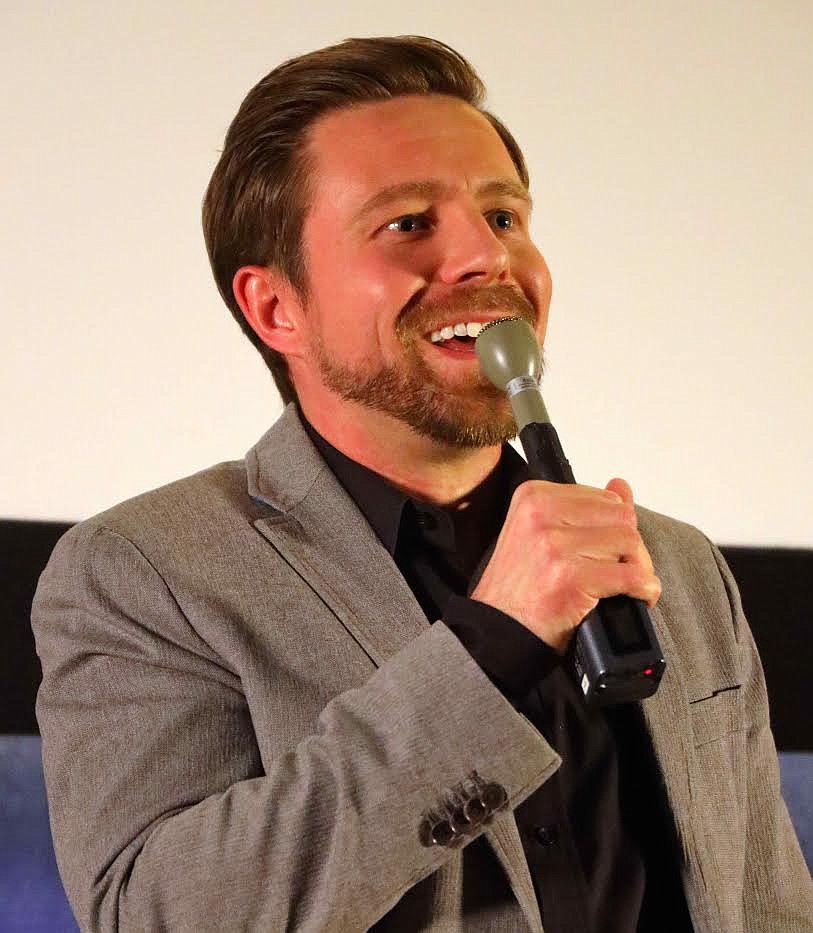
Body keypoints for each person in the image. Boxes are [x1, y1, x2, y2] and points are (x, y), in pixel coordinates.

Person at [32, 35, 811, 933]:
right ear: (275, 306)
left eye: (504, 217)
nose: (486, 259)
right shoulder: (141, 572)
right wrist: (493, 644)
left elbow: (765, 905)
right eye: (408, 224)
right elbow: (158, 915)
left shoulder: (678, 563)